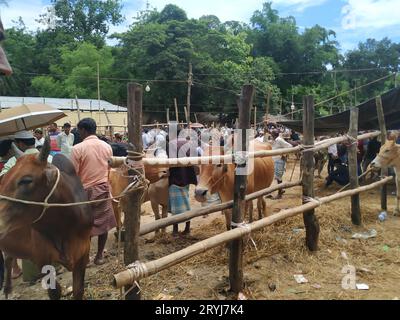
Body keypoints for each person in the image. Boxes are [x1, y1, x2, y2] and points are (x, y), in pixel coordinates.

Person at [70, 118, 116, 265]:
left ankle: (85, 257)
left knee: (85, 226)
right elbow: (109, 168)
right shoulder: (107, 146)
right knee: (104, 224)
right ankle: (99, 256)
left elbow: (73, 174)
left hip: (85, 191)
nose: (78, 133)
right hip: (103, 188)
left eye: (79, 130)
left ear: (83, 130)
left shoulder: (77, 149)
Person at [167, 133, 198, 235]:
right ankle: (187, 228)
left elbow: (170, 161)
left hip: (175, 177)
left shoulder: (171, 144)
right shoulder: (187, 143)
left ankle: (175, 230)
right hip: (186, 177)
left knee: (175, 205)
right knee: (185, 200)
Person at [270, 129, 294, 199]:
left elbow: (289, 146)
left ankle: (279, 194)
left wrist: (284, 155)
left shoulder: (279, 140)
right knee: (278, 177)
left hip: (279, 160)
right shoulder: (275, 140)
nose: (271, 135)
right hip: (275, 160)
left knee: (278, 178)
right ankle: (281, 190)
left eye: (272, 134)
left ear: (274, 135)